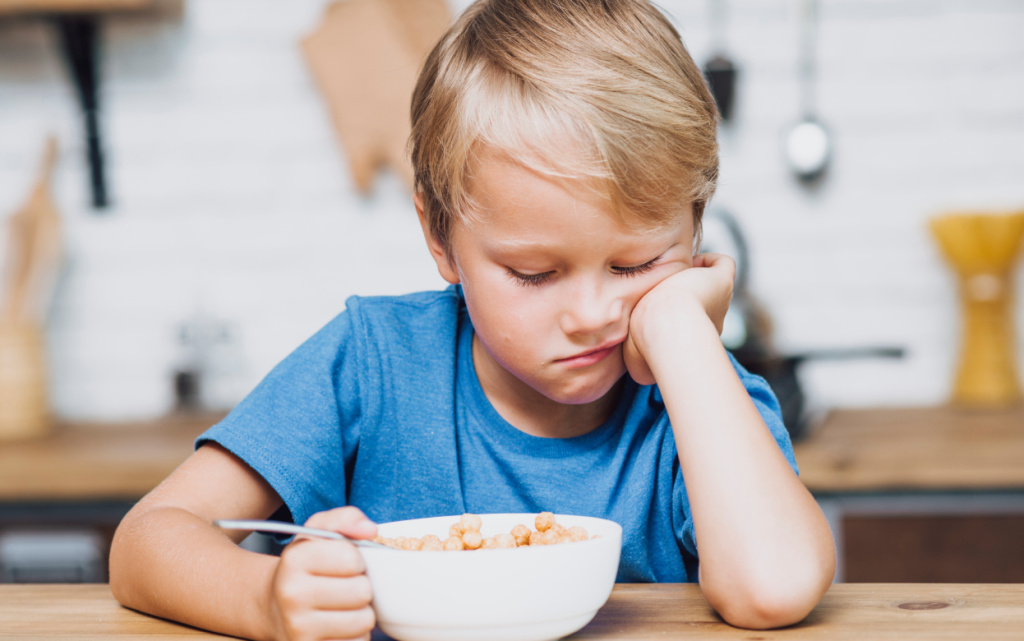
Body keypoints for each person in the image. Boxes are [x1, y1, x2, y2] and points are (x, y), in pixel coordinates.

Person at [109, 1, 835, 639]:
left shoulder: (704, 402)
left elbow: (773, 585)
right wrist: (266, 598)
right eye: (534, 273)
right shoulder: (375, 362)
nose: (589, 315)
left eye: (637, 263)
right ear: (439, 235)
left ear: (697, 226)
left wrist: (681, 329)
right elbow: (145, 541)